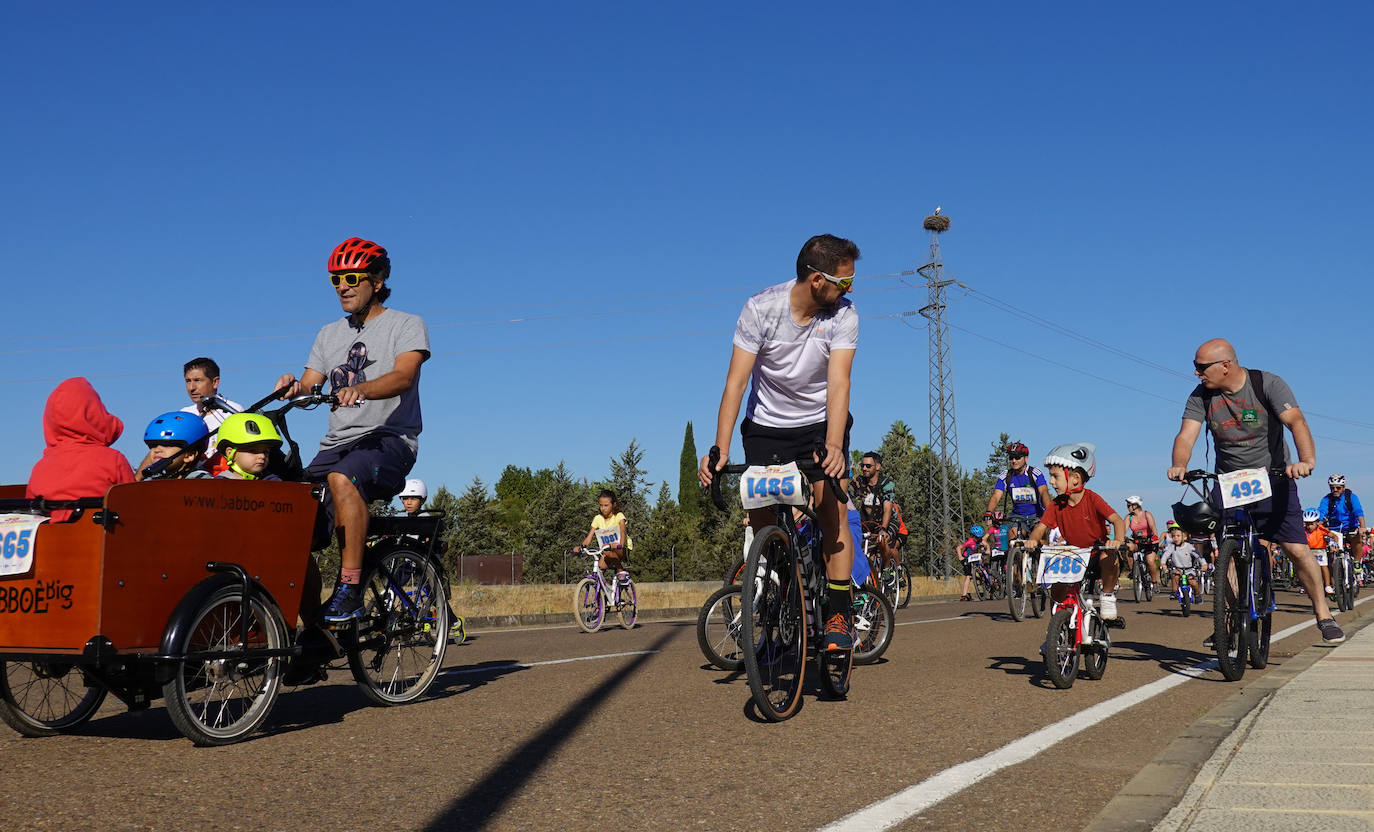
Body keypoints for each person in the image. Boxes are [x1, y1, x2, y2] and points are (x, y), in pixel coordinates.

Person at [699, 233, 860, 652]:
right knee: (763, 523)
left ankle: (840, 609)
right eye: (844, 282)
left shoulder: (844, 315)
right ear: (816, 280)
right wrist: (720, 449)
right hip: (766, 427)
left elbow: (839, 382)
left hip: (818, 424)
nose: (850, 290)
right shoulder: (760, 308)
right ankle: (781, 598)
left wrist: (835, 445)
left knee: (831, 513)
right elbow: (735, 384)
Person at [275, 237, 429, 622]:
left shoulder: (407, 324)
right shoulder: (328, 334)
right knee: (289, 521)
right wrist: (293, 389)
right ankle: (312, 632)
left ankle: (350, 588)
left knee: (344, 478)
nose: (342, 285)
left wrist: (360, 389)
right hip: (335, 444)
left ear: (376, 281)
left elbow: (403, 377)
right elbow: (312, 383)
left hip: (390, 440)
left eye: (352, 277)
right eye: (335, 279)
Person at [1167, 338, 1343, 643]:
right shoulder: (1201, 396)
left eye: (1201, 367)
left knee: (1297, 549)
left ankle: (1323, 613)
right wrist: (1179, 464)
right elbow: (1186, 435)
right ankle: (1230, 623)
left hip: (1273, 478)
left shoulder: (1267, 384)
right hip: (1229, 483)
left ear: (1226, 365)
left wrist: (1306, 460)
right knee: (1227, 553)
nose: (1197, 373)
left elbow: (1296, 422)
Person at [1025, 442, 1126, 620]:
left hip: (1095, 552)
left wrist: (1117, 540)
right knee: (1056, 585)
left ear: (1075, 479)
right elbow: (1041, 527)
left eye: (1055, 476)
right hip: (1072, 554)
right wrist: (1033, 540)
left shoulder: (1092, 499)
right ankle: (1057, 627)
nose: (1051, 482)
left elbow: (1117, 520)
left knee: (1109, 557)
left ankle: (1108, 596)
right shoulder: (1056, 505)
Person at [26, 378, 134, 521]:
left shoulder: (40, 468)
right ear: (95, 414)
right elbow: (134, 507)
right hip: (101, 540)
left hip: (51, 541)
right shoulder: (113, 460)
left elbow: (29, 513)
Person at [985, 441, 1051, 592]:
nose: (1013, 461)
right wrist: (989, 512)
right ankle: (1018, 578)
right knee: (1012, 541)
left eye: (1017, 457)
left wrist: (1049, 512)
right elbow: (996, 496)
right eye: (1011, 458)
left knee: (1040, 543)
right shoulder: (1005, 476)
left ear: (1025, 458)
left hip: (1036, 515)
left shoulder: (1035, 473)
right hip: (1017, 515)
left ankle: (1041, 576)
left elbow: (1044, 493)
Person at [848, 451, 899, 571]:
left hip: (887, 521)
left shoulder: (886, 484)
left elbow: (887, 509)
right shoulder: (858, 483)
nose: (864, 468)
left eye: (868, 466)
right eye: (862, 466)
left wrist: (883, 529)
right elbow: (847, 499)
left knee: (882, 540)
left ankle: (887, 571)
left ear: (877, 466)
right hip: (867, 522)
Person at [181, 357, 244, 449]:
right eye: (188, 381)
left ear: (215, 382)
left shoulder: (234, 411)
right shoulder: (184, 415)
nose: (191, 388)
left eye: (197, 380)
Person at [135, 411, 213, 480]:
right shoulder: (154, 483)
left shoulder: (203, 483)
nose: (157, 450)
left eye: (167, 445)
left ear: (190, 455)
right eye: (153, 445)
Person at [1318, 475, 1365, 587]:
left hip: (1350, 527)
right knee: (1331, 555)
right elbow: (1321, 512)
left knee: (1356, 539)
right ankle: (1334, 585)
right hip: (1334, 529)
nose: (1335, 490)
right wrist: (1318, 523)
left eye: (1338, 488)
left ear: (1343, 487)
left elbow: (1358, 511)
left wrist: (1362, 527)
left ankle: (1357, 563)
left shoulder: (1351, 497)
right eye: (1332, 488)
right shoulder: (1326, 499)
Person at [579, 489, 632, 579]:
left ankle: (620, 570)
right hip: (607, 549)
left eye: (606, 505)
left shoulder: (619, 516)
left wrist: (620, 544)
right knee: (599, 570)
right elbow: (589, 536)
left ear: (613, 505)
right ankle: (599, 591)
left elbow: (623, 531)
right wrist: (582, 547)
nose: (603, 508)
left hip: (621, 548)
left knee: (607, 551)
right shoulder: (598, 518)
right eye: (601, 505)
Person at [213, 413, 283, 481]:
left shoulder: (273, 482)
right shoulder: (219, 484)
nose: (262, 456)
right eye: (253, 451)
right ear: (231, 453)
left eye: (266, 451)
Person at [1122, 496, 1161, 588]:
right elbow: (1123, 530)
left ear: (1135, 505)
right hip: (1137, 541)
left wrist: (1154, 536)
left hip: (1150, 541)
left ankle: (1154, 582)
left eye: (1129, 505)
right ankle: (1133, 571)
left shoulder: (1147, 514)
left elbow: (1153, 527)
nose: (1127, 507)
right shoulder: (1129, 517)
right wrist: (1121, 538)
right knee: (1129, 548)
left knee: (1150, 561)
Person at [1159, 524, 1204, 603]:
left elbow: (1198, 555)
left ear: (1185, 537)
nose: (1176, 538)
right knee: (1175, 576)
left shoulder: (1189, 546)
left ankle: (1197, 595)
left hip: (1189, 569)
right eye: (1174, 536)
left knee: (1192, 582)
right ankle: (1174, 592)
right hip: (1177, 569)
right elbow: (1165, 555)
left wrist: (1204, 564)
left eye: (1178, 536)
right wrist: (1163, 563)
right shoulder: (1172, 547)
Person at [1302, 507, 1337, 595]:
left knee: (1324, 567)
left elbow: (1333, 535)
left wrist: (1334, 544)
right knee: (1305, 568)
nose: (1309, 526)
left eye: (1311, 524)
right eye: (1307, 524)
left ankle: (1327, 585)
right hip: (1308, 551)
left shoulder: (1321, 529)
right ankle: (1306, 585)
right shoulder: (1303, 530)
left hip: (1320, 551)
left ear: (1317, 522)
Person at [958, 524, 987, 602]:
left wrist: (987, 549)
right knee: (968, 576)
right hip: (967, 558)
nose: (979, 539)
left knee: (982, 566)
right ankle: (964, 595)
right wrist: (960, 557)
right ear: (973, 536)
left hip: (975, 557)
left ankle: (984, 579)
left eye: (980, 537)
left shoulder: (980, 540)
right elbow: (959, 547)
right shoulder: (970, 541)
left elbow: (986, 544)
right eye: (977, 537)